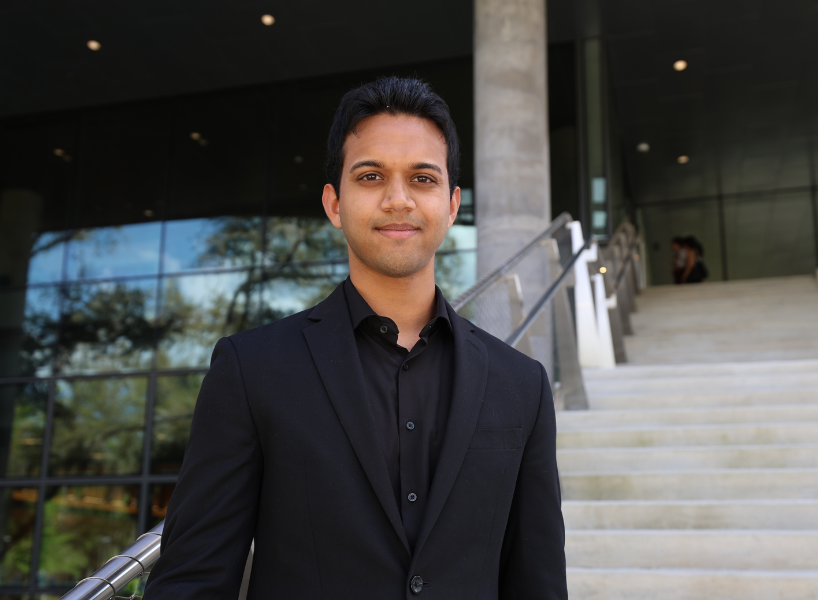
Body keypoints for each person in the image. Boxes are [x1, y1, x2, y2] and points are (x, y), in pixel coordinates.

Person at [144, 76, 567, 599]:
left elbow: (538, 583)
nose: (398, 200)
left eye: (423, 179)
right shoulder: (252, 370)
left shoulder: (521, 384)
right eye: (370, 176)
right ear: (334, 203)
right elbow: (192, 580)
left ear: (453, 204)